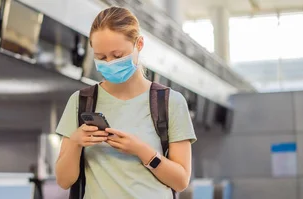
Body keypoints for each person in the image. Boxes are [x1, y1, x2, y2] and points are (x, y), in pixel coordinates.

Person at [54, 7, 197, 199]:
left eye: (118, 55)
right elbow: (64, 181)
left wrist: (142, 151)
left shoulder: (170, 102)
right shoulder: (80, 102)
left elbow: (180, 181)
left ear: (139, 44)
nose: (110, 62)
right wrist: (75, 143)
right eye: (101, 57)